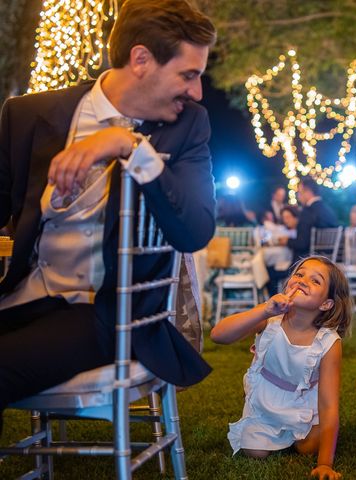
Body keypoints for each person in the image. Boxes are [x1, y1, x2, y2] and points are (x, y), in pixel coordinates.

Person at [0, 0, 217, 423]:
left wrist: (130, 148)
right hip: (25, 296)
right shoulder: (27, 115)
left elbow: (194, 230)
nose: (197, 92)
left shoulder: (189, 124)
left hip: (114, 316)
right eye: (188, 75)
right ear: (141, 60)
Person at [210, 256, 353, 480]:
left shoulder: (329, 343)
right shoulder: (270, 319)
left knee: (308, 448)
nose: (303, 280)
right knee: (255, 451)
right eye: (299, 274)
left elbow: (328, 404)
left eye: (315, 281)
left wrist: (325, 463)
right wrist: (265, 311)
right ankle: (272, 428)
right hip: (267, 400)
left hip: (304, 402)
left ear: (326, 304)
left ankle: (306, 434)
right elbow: (218, 335)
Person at [267, 177, 338, 296]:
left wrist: (287, 241)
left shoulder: (307, 212)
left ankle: (275, 304)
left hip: (307, 262)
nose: (299, 196)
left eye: (299, 192)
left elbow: (302, 243)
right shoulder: (329, 211)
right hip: (327, 259)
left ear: (308, 192)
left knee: (270, 271)